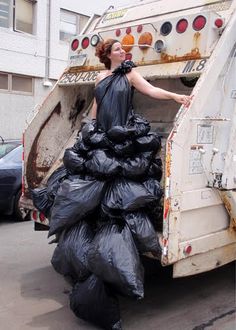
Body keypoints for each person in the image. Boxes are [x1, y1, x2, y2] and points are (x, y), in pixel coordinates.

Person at [90, 38, 192, 120]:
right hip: (102, 128)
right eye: (117, 49)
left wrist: (174, 96)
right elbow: (96, 103)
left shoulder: (130, 74)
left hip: (121, 128)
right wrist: (93, 123)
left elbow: (152, 90)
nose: (122, 51)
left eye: (122, 48)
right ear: (108, 55)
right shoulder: (100, 77)